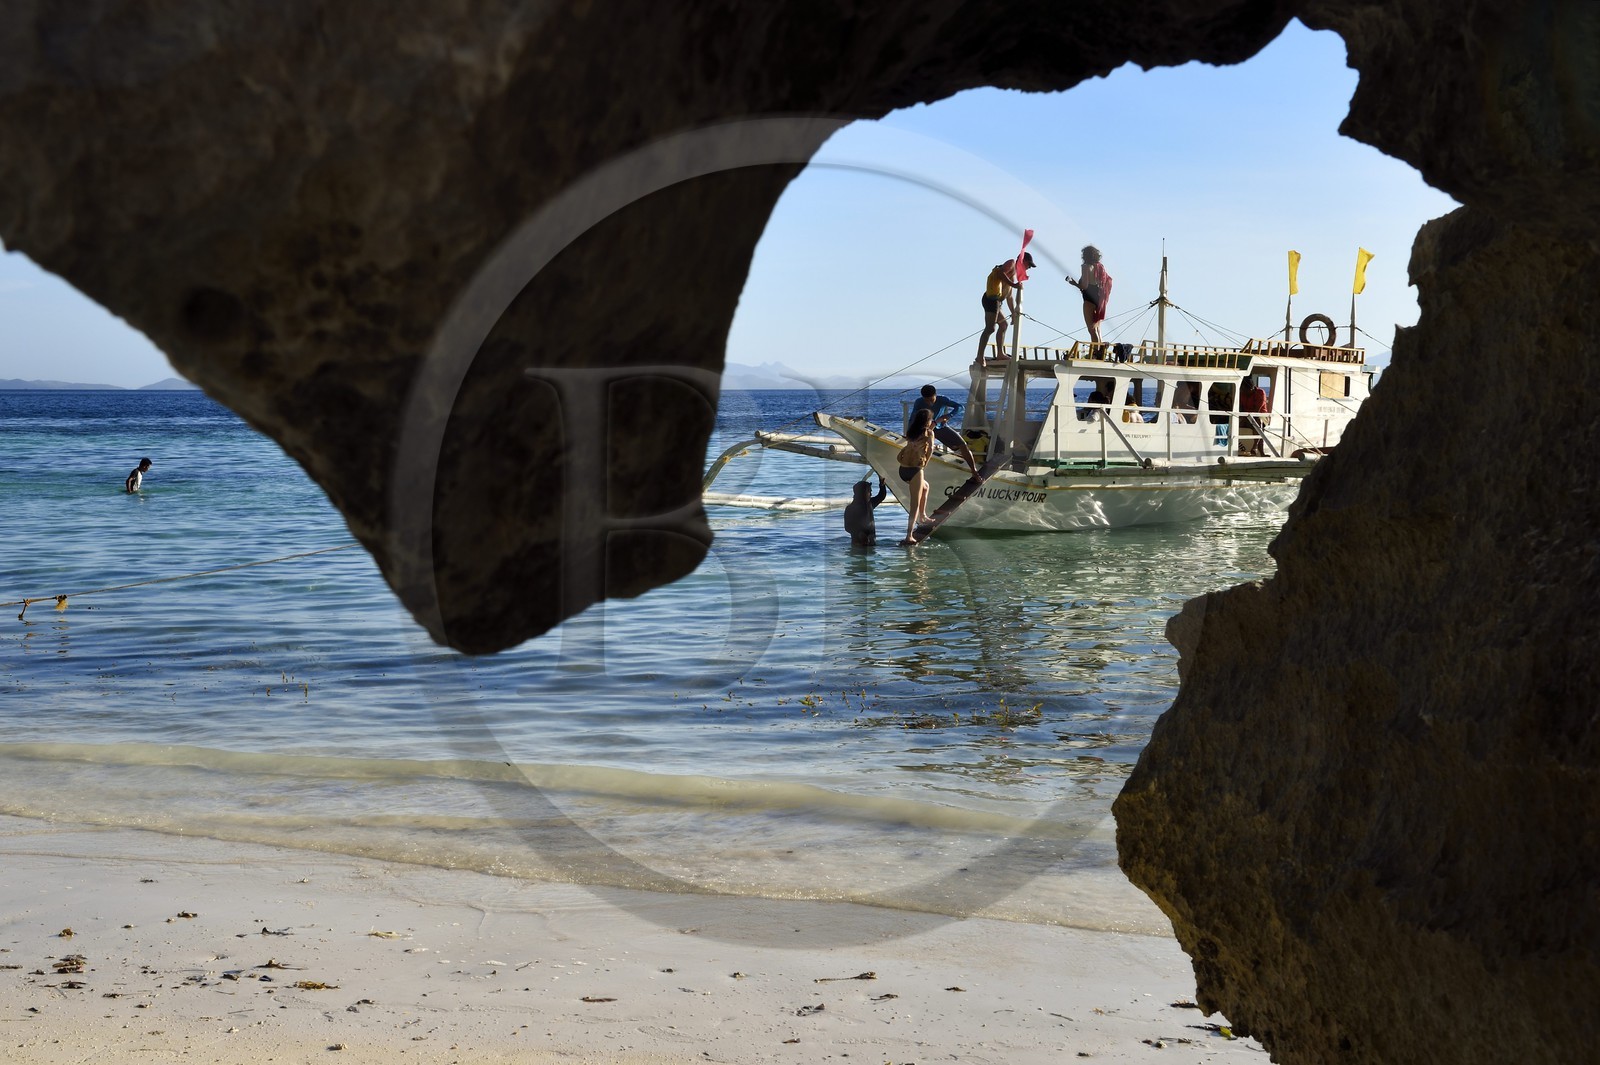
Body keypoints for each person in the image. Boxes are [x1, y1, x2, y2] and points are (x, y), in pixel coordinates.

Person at [975, 253, 1034, 364]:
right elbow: (1000, 273)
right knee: (990, 329)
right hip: (991, 300)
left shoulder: (1014, 274)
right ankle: (980, 356)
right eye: (1029, 265)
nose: (1029, 268)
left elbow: (1009, 297)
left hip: (997, 303)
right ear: (1023, 260)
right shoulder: (1011, 263)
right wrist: (1014, 285)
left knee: (1003, 325)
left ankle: (1000, 353)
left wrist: (1013, 313)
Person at [910, 384, 978, 475]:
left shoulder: (942, 399)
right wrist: (910, 434)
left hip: (939, 427)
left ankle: (974, 471)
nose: (929, 403)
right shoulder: (919, 402)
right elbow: (912, 418)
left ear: (935, 395)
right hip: (925, 429)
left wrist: (949, 415)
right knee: (922, 448)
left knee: (963, 445)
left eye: (931, 400)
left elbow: (960, 407)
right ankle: (918, 470)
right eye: (926, 400)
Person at [895, 407, 936, 545]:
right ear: (927, 421)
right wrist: (925, 463)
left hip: (902, 470)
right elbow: (930, 450)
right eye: (930, 419)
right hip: (915, 470)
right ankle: (909, 535)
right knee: (914, 505)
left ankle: (923, 516)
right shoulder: (929, 433)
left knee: (926, 486)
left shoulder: (911, 431)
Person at [1065, 245, 1112, 345]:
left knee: (1091, 330)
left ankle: (1096, 351)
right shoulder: (1100, 267)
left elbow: (1084, 286)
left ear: (1085, 255)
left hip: (1089, 297)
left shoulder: (1086, 266)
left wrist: (1074, 283)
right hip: (1099, 298)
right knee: (1097, 328)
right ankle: (1101, 349)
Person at [843, 477, 888, 546]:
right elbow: (847, 527)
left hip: (872, 543)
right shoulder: (850, 509)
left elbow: (881, 496)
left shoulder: (870, 504)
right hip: (858, 544)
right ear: (862, 493)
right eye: (869, 492)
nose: (871, 494)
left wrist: (882, 485)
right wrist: (859, 533)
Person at [1240, 376, 1269, 455]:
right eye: (1243, 390)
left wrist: (1248, 417)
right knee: (1234, 422)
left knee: (1258, 422)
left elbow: (1257, 409)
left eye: (1247, 390)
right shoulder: (1242, 393)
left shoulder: (1260, 392)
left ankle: (1255, 447)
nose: (1245, 392)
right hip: (1246, 415)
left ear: (1252, 388)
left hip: (1261, 415)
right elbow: (1241, 407)